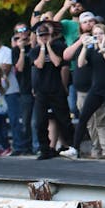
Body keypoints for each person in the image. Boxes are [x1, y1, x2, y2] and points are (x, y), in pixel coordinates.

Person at [61, 23, 105, 161]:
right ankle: (75, 149)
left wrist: (103, 50)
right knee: (84, 117)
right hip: (96, 88)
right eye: (95, 34)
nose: (98, 36)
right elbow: (80, 64)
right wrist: (84, 46)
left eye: (100, 33)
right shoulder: (91, 49)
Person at [30, 21, 73, 160]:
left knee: (64, 119)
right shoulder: (34, 51)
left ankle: (71, 146)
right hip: (41, 91)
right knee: (40, 122)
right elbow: (39, 64)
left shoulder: (59, 46)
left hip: (56, 88)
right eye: (41, 35)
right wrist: (42, 48)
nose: (44, 38)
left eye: (46, 35)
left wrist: (48, 46)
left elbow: (57, 62)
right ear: (37, 37)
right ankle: (45, 149)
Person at [0, 31, 24, 156]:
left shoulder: (6, 51)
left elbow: (6, 69)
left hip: (10, 90)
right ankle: (5, 146)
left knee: (14, 120)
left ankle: (18, 146)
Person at [12, 23, 38, 154]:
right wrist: (22, 50)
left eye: (24, 29)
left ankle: (37, 147)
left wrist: (31, 44)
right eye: (19, 30)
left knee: (36, 121)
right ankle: (26, 147)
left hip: (37, 87)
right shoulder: (15, 50)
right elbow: (19, 68)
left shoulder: (36, 46)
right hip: (24, 89)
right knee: (26, 121)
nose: (22, 32)